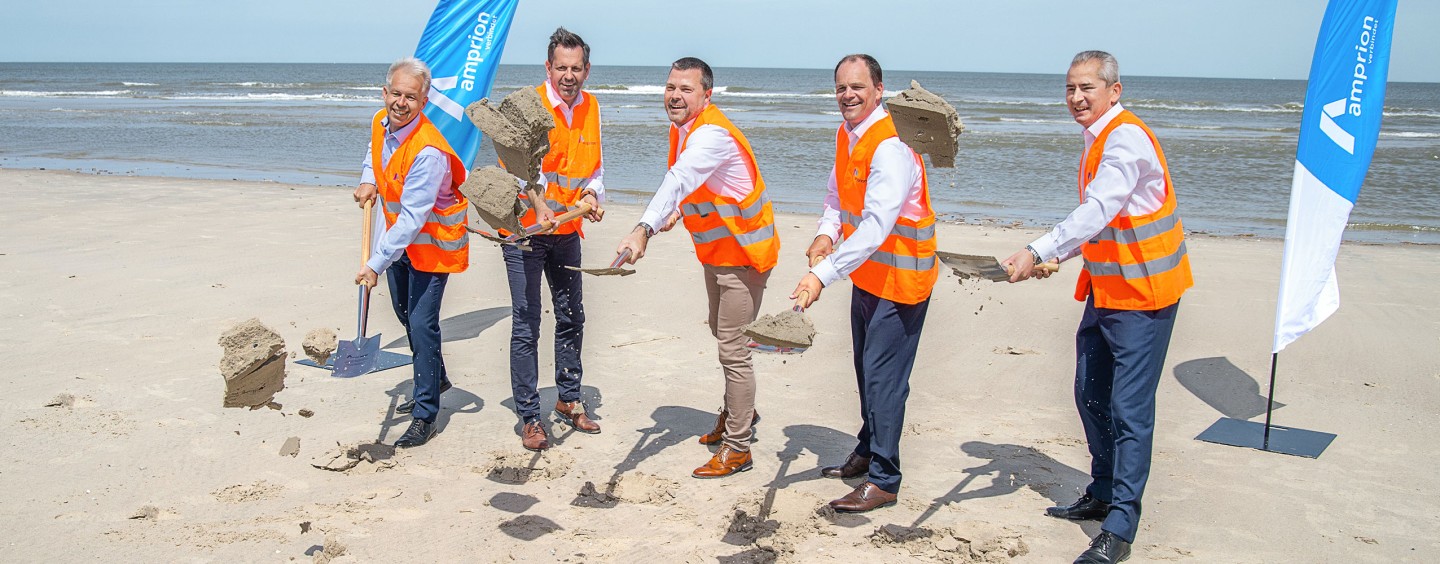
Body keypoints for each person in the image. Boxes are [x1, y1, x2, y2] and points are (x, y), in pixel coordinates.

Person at [1002, 50, 1192, 564]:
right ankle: (1104, 490)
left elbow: (1101, 207)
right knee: (1089, 393)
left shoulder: (1125, 137)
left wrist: (1039, 249)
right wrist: (1058, 254)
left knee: (1130, 410)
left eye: (1087, 87)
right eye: (1070, 89)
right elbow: (1104, 224)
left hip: (1146, 296)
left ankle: (1121, 526)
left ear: (1115, 90)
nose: (1077, 98)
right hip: (1108, 292)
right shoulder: (1097, 139)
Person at [615, 57, 779, 478]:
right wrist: (675, 215)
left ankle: (739, 446)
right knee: (721, 334)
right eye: (670, 87)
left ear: (706, 95)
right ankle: (739, 412)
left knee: (734, 349)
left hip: (744, 258)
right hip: (717, 256)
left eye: (686, 89)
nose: (675, 95)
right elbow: (700, 188)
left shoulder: (710, 135)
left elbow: (679, 179)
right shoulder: (683, 130)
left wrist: (642, 229)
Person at [790, 54, 937, 513]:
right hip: (868, 276)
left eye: (857, 87)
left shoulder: (891, 144)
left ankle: (885, 477)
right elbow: (838, 198)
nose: (847, 96)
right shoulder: (846, 134)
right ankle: (868, 447)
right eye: (840, 88)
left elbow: (876, 226)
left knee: (884, 378)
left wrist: (821, 274)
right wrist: (824, 234)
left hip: (903, 278)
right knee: (865, 370)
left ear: (878, 89)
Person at [353, 57, 471, 449]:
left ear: (424, 101)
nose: (401, 103)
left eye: (411, 97)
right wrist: (369, 181)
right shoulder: (379, 123)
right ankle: (435, 376)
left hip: (431, 244)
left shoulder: (429, 151)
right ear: (385, 93)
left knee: (421, 323)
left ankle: (426, 413)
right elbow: (376, 154)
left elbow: (412, 219)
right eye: (396, 94)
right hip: (399, 243)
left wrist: (373, 264)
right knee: (404, 313)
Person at [501, 27, 607, 452]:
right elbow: (515, 164)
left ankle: (568, 399)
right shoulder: (528, 105)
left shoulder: (592, 106)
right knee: (527, 324)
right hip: (524, 232)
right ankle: (530, 415)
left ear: (586, 70)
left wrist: (592, 195)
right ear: (548, 67)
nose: (568, 75)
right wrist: (538, 203)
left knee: (571, 317)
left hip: (567, 233)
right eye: (561, 67)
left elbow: (595, 168)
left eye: (576, 68)